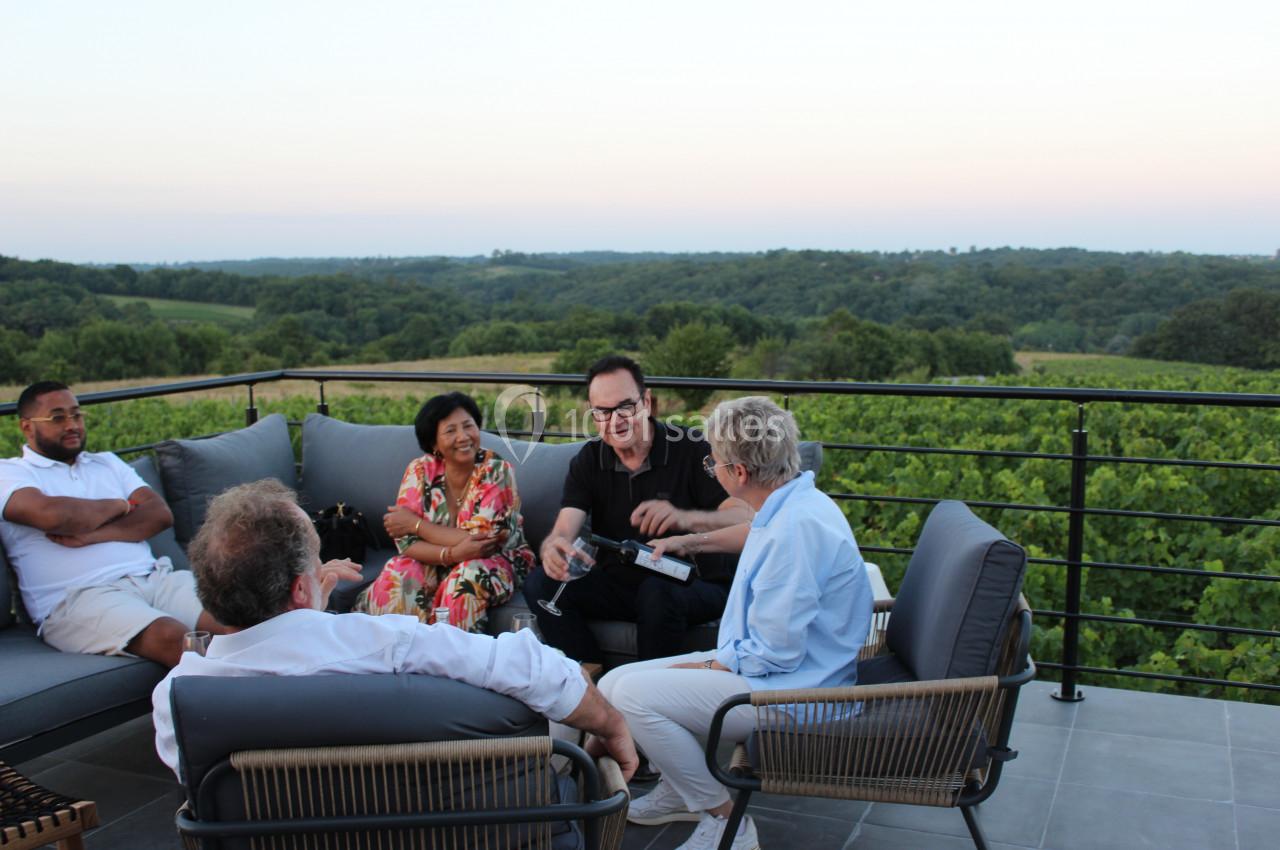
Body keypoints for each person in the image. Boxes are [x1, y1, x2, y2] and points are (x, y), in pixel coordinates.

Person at [151, 478, 637, 783]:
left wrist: (310, 605)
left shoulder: (177, 701)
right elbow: (533, 669)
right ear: (300, 587)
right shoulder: (385, 644)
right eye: (318, 558)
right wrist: (612, 723)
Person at [598, 396, 874, 850]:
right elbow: (755, 532)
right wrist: (689, 541)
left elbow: (773, 653)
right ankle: (681, 791)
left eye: (713, 462)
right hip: (774, 668)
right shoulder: (794, 501)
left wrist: (703, 667)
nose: (711, 468)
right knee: (614, 682)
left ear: (739, 473)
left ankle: (727, 822)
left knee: (631, 696)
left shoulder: (795, 534)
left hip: (798, 691)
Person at [523, 356, 752, 663]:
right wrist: (553, 548)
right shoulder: (589, 460)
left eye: (625, 407)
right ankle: (590, 680)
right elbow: (565, 527)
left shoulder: (692, 448)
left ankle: (646, 689)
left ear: (646, 402)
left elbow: (746, 515)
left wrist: (685, 518)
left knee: (657, 593)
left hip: (692, 583)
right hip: (620, 585)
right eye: (603, 411)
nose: (615, 420)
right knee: (540, 583)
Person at [0, 381, 232, 667]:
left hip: (154, 578)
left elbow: (159, 514)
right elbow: (52, 516)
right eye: (57, 418)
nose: (72, 425)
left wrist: (93, 535)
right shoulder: (10, 473)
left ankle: (268, 684)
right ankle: (239, 687)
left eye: (76, 415)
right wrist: (120, 505)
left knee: (235, 618)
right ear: (26, 427)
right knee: (174, 637)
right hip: (77, 599)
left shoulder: (106, 463)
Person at [353, 392, 536, 633]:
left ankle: (454, 653)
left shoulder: (496, 470)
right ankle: (393, 649)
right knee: (398, 572)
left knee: (465, 580)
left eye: (468, 426)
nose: (463, 436)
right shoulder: (419, 470)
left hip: (496, 559)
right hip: (434, 560)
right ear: (434, 444)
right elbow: (406, 543)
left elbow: (482, 541)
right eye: (450, 431)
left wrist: (416, 525)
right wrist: (451, 553)